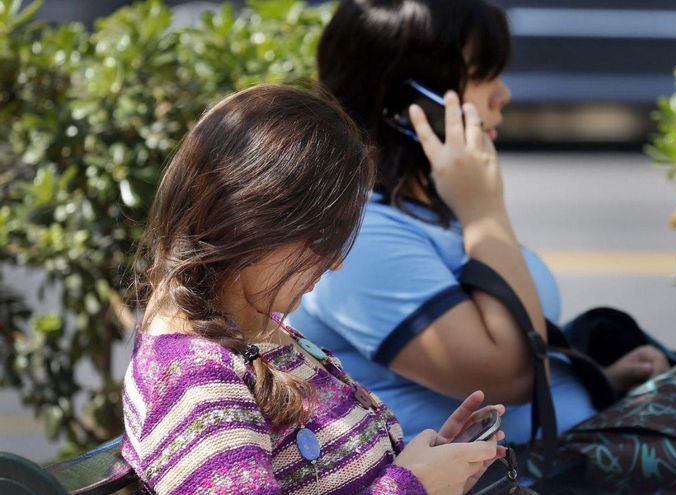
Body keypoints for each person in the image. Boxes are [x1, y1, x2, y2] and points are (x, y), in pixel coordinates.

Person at [287, 0, 671, 453]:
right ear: (410, 101)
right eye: (480, 75)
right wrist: (486, 212)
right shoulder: (363, 238)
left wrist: (594, 379)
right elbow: (510, 376)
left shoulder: (430, 209)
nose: (502, 94)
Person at [121, 84, 505, 495]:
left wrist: (429, 467)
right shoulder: (193, 378)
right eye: (324, 237)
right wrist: (415, 486)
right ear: (251, 217)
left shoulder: (255, 327)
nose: (336, 261)